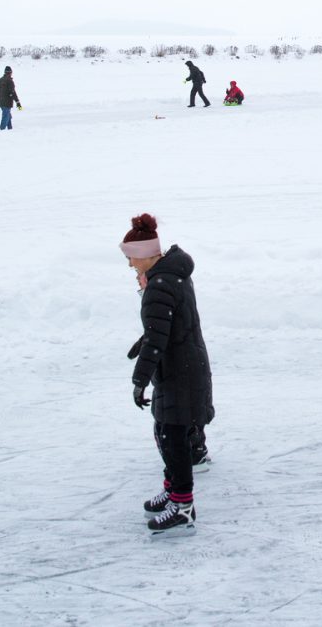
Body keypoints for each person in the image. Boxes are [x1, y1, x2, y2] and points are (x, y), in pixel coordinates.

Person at [124, 213, 214, 535]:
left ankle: (183, 506)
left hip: (178, 371)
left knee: (173, 437)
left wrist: (138, 380)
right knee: (166, 430)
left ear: (146, 255)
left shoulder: (158, 285)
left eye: (132, 260)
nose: (132, 267)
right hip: (186, 366)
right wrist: (144, 342)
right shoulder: (174, 275)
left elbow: (158, 338)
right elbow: (167, 326)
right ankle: (172, 488)